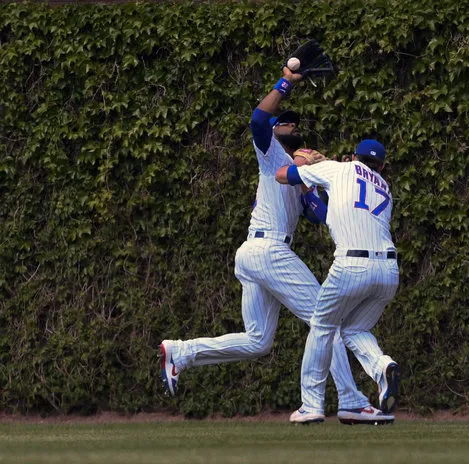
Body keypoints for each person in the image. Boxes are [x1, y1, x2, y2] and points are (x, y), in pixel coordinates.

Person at [160, 66, 393, 425]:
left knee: (258, 341)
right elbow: (257, 119)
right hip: (268, 249)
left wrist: (307, 180)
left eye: (294, 123)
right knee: (324, 321)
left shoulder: (298, 168)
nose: (292, 125)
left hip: (254, 253)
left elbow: (319, 216)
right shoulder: (270, 152)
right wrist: (286, 80)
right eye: (286, 122)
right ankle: (352, 400)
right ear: (275, 131)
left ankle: (181, 352)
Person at [275, 139, 401, 424]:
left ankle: (311, 406)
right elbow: (327, 212)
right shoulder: (384, 188)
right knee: (354, 328)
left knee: (321, 326)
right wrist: (315, 185)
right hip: (388, 270)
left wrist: (306, 165)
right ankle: (382, 366)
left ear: (353, 156)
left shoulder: (339, 170)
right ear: (381, 166)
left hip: (352, 264)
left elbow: (282, 175)